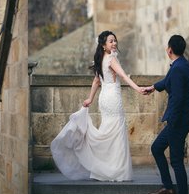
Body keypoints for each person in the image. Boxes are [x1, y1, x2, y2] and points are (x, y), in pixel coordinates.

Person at [51, 30, 143, 181]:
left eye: (115, 40)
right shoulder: (111, 59)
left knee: (108, 131)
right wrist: (138, 88)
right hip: (112, 98)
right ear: (103, 45)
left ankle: (105, 168)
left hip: (104, 99)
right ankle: (116, 171)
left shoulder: (100, 59)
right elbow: (123, 76)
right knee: (117, 132)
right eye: (111, 41)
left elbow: (96, 81)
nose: (114, 43)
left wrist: (90, 99)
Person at [144, 35, 189, 194]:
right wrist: (153, 87)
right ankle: (168, 187)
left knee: (176, 161)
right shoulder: (181, 65)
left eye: (167, 47)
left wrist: (170, 119)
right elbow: (167, 82)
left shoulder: (179, 68)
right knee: (157, 148)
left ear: (170, 50)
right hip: (178, 120)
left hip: (178, 121)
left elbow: (178, 98)